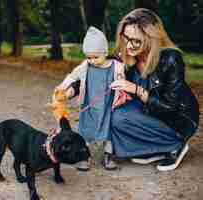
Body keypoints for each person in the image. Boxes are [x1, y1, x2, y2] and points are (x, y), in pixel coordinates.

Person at [103, 8, 200, 171]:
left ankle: (175, 145)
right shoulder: (127, 55)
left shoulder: (171, 59)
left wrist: (137, 90)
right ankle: (156, 149)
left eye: (136, 40)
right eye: (125, 38)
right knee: (114, 113)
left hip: (178, 120)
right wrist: (70, 89)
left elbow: (171, 109)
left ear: (151, 39)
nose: (128, 45)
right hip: (149, 112)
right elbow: (99, 69)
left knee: (120, 116)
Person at [54, 26, 130, 171]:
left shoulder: (117, 67)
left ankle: (108, 156)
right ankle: (83, 156)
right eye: (89, 57)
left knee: (109, 131)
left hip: (108, 106)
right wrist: (63, 87)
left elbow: (127, 74)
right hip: (90, 105)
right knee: (85, 132)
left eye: (96, 57)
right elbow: (72, 76)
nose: (92, 61)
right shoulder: (86, 66)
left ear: (105, 52)